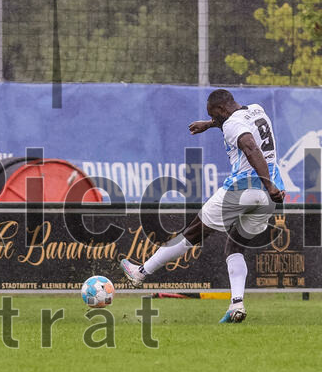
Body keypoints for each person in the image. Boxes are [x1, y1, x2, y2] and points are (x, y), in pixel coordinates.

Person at [121, 89, 285, 324]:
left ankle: (141, 272)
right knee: (235, 246)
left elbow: (250, 146)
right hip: (269, 197)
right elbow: (237, 124)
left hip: (244, 189)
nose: (213, 118)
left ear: (221, 109)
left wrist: (267, 183)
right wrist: (209, 125)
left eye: (213, 115)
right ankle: (236, 304)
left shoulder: (232, 125)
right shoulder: (256, 110)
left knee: (192, 233)